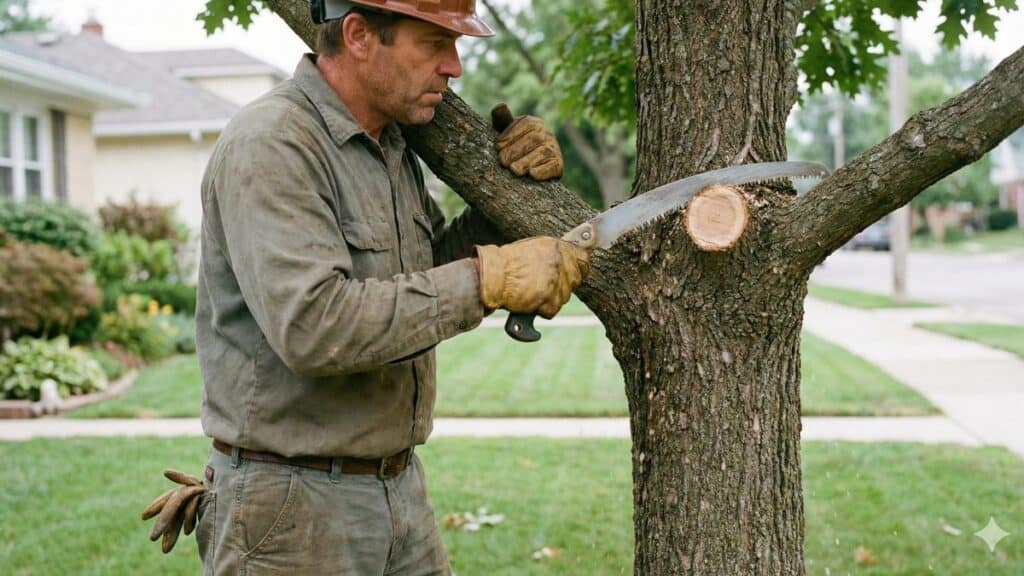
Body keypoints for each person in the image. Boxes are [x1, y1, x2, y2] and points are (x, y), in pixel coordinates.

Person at [141, 1, 590, 574]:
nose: (454, 67)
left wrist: (506, 204)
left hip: (398, 488)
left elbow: (424, 274)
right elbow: (314, 327)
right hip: (293, 511)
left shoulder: (392, 147)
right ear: (357, 34)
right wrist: (489, 279)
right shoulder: (274, 144)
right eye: (433, 44)